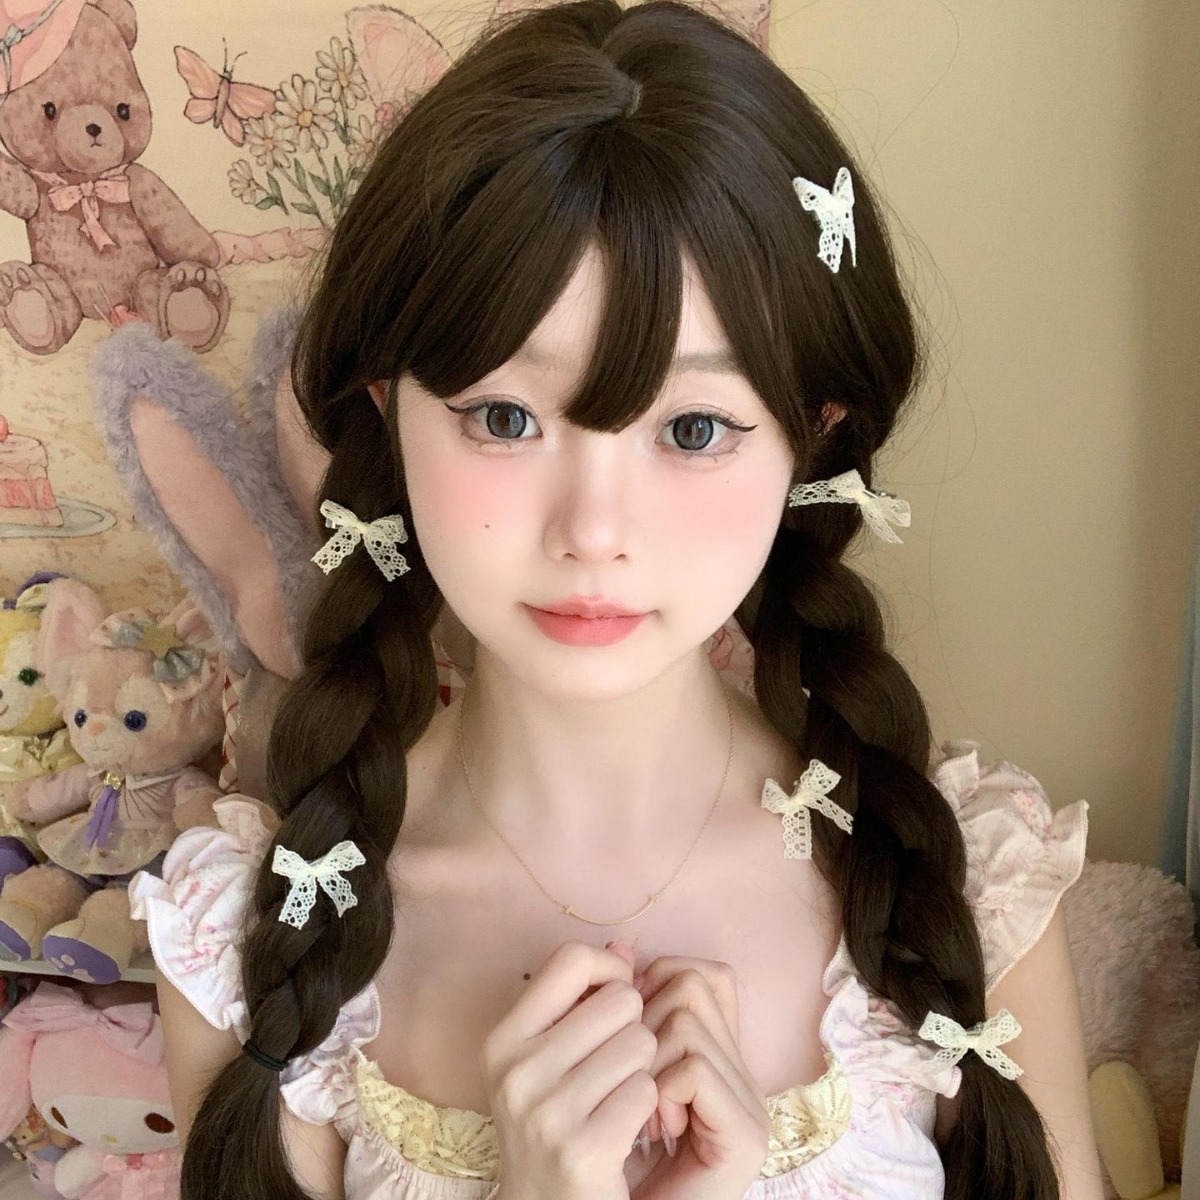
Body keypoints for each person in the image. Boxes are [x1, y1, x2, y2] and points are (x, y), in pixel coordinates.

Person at [131, 0, 1106, 1197]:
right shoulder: (253, 942)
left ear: (811, 439)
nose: (593, 532)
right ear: (388, 408)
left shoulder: (967, 890)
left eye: (692, 429)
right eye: (505, 418)